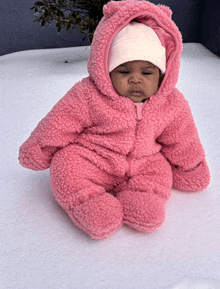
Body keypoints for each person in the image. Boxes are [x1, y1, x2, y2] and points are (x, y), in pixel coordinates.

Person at [19, 0, 210, 239]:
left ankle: (144, 197)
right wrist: (39, 149)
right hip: (92, 158)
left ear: (162, 74)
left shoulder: (172, 103)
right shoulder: (88, 94)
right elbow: (61, 122)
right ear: (106, 70)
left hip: (143, 161)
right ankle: (88, 202)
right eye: (124, 71)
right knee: (66, 165)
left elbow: (183, 139)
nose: (135, 80)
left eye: (147, 72)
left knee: (160, 170)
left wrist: (191, 168)